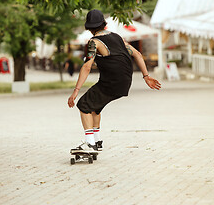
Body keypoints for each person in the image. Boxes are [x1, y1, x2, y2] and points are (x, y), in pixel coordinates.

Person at [68, 9, 161, 153]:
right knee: (95, 107)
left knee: (83, 105)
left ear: (89, 27)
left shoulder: (94, 42)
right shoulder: (118, 37)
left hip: (111, 82)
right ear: (104, 24)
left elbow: (87, 66)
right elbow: (137, 53)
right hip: (124, 81)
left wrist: (75, 92)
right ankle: (97, 141)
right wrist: (146, 76)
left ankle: (90, 144)